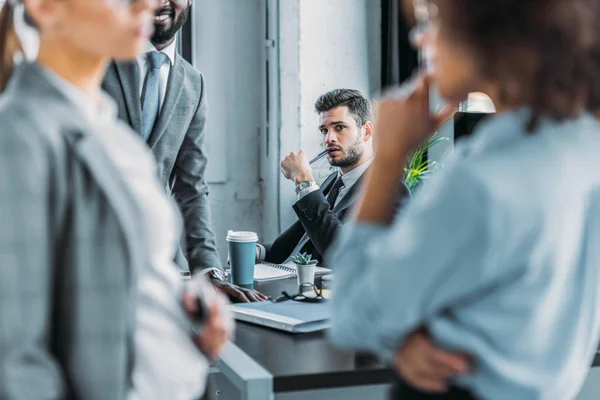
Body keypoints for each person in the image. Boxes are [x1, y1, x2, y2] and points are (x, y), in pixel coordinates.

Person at [327, 0, 600, 399]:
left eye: (433, 21)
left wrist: (388, 159)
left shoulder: (481, 180)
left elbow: (352, 313)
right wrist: (408, 337)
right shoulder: (584, 146)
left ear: (493, 35)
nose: (420, 38)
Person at [0, 0, 232, 399]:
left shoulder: (108, 130)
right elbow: (15, 357)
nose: (146, 2)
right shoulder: (19, 135)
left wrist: (183, 306)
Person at [101, 0, 265, 303]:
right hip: (90, 259)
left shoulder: (194, 83)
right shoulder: (96, 60)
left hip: (162, 266)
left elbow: (191, 186)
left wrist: (208, 271)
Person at [256, 89, 410, 266]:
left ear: (366, 131)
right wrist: (258, 252)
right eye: (324, 130)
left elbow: (346, 256)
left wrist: (305, 183)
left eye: (339, 127)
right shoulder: (332, 182)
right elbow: (300, 242)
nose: (329, 139)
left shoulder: (392, 190)